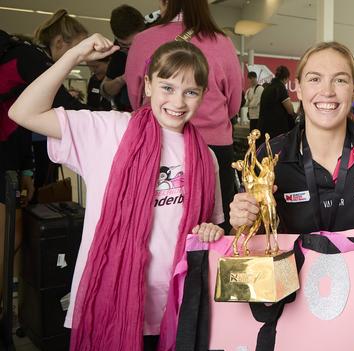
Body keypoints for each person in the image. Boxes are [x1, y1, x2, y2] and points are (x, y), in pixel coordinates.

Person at [8, 35, 225, 351]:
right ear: (148, 85)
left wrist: (212, 231)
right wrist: (75, 55)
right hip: (115, 299)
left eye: (190, 91)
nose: (178, 101)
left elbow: (208, 226)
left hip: (178, 303)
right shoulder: (107, 130)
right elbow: (23, 112)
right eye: (167, 87)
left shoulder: (205, 158)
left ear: (202, 95)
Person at [230, 41, 354, 235]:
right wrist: (240, 221)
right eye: (315, 79)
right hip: (296, 266)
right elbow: (243, 238)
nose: (327, 91)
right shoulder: (270, 156)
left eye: (340, 80)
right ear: (299, 89)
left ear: (353, 91)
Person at [125, 0, 243, 234]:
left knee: (157, 226)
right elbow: (234, 103)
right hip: (215, 145)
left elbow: (135, 97)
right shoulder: (222, 42)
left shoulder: (143, 40)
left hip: (158, 145)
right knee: (216, 228)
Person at [20, 10, 88, 197]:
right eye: (77, 52)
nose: (79, 60)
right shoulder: (39, 62)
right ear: (59, 43)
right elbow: (66, 103)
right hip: (26, 146)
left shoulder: (29, 55)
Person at [101, 4, 146, 112]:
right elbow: (104, 89)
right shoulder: (118, 51)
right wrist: (124, 78)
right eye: (126, 46)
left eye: (136, 44)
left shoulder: (156, 41)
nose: (132, 50)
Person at [258, 65, 296, 140]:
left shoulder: (268, 87)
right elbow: (290, 109)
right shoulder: (280, 87)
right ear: (286, 78)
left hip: (264, 127)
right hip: (277, 129)